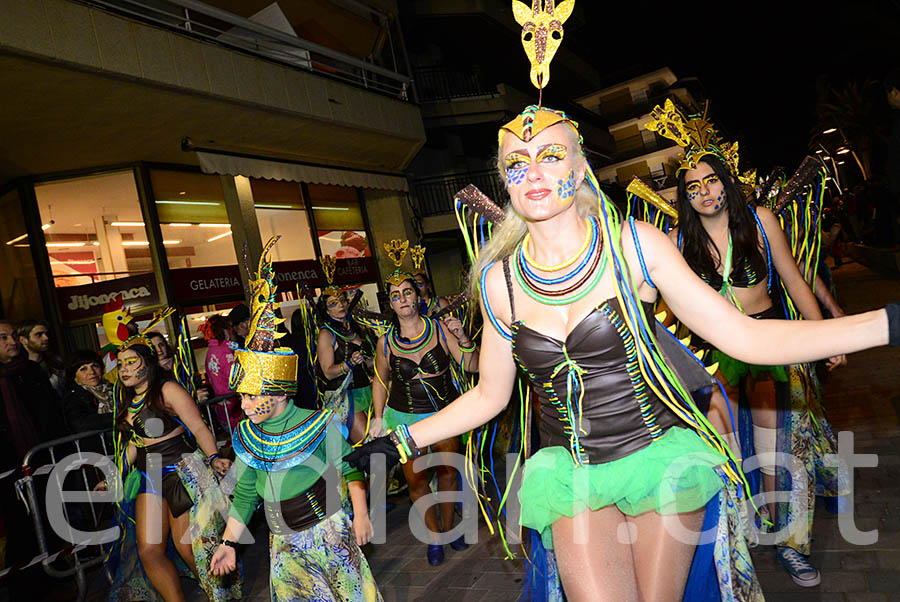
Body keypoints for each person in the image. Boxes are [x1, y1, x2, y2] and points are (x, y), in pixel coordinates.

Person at [346, 104, 900, 602]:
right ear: (505, 182)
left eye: (549, 155)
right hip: (571, 475)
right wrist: (397, 439)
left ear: (580, 169)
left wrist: (884, 324)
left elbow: (746, 336)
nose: (532, 171)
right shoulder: (498, 282)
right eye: (516, 162)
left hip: (659, 463)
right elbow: (492, 394)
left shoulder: (634, 246)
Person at [658, 101, 845, 585]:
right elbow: (650, 298)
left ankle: (789, 542)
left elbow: (794, 280)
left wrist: (825, 332)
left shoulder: (760, 221)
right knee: (726, 453)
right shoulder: (677, 241)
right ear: (684, 196)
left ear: (727, 180)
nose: (705, 192)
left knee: (778, 449)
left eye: (712, 179)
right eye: (693, 186)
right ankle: (738, 539)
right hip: (711, 355)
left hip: (766, 343)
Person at [209, 235, 382, 602]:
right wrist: (228, 544)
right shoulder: (247, 437)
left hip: (329, 531)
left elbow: (349, 469)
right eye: (242, 395)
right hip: (283, 544)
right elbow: (244, 495)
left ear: (280, 393)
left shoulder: (318, 422)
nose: (245, 403)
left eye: (253, 395)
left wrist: (363, 516)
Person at [104, 336, 239, 602]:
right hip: (148, 476)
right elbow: (134, 444)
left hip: (181, 472)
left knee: (188, 547)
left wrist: (213, 458)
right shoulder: (129, 401)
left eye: (131, 362)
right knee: (149, 550)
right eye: (120, 365)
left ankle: (219, 597)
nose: (124, 370)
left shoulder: (168, 390)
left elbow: (199, 427)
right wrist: (114, 475)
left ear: (149, 362)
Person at [370, 265, 478, 565]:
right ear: (390, 304)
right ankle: (433, 537)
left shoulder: (442, 329)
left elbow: (472, 366)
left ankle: (449, 529)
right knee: (416, 483)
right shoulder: (385, 343)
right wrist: (378, 418)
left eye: (407, 292)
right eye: (395, 296)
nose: (403, 299)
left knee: (447, 472)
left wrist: (464, 337)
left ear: (417, 297)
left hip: (444, 415)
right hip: (404, 420)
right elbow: (379, 380)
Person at [0, 320, 63, 597]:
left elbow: (51, 415)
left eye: (13, 335)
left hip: (41, 462)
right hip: (7, 471)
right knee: (19, 529)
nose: (12, 341)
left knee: (50, 521)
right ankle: (24, 586)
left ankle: (56, 578)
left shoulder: (31, 372)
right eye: (3, 338)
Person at [316, 283, 374, 444]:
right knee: (370, 444)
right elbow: (327, 372)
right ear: (327, 310)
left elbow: (367, 363)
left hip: (368, 392)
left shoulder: (356, 328)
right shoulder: (326, 334)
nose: (340, 305)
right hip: (345, 398)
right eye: (333, 303)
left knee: (383, 440)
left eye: (342, 300)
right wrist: (349, 363)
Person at [200, 315, 241, 432]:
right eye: (229, 328)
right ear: (224, 331)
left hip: (222, 403)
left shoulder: (210, 351)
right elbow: (233, 377)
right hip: (234, 402)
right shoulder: (225, 350)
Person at [62, 349, 115, 434]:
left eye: (95, 366)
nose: (91, 372)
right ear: (74, 376)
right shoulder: (73, 397)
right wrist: (117, 417)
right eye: (83, 369)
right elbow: (79, 424)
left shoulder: (115, 388)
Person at [15, 318, 65, 395]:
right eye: (39, 334)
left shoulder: (56, 362)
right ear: (23, 340)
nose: (46, 338)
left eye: (46, 334)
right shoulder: (17, 368)